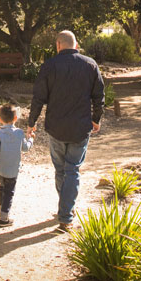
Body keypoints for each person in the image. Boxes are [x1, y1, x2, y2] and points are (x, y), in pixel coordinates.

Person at [27, 30, 105, 232]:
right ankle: (66, 213)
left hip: (56, 127)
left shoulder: (49, 65)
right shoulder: (90, 65)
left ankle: (65, 211)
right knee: (72, 170)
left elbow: (38, 97)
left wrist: (31, 121)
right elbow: (99, 96)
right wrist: (96, 119)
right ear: (76, 45)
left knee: (61, 169)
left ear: (58, 45)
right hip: (80, 127)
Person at [0, 103, 34, 226]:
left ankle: (1, 209)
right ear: (15, 119)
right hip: (12, 170)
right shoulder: (19, 133)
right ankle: (4, 218)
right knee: (9, 192)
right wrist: (31, 139)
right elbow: (25, 148)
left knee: (2, 187)